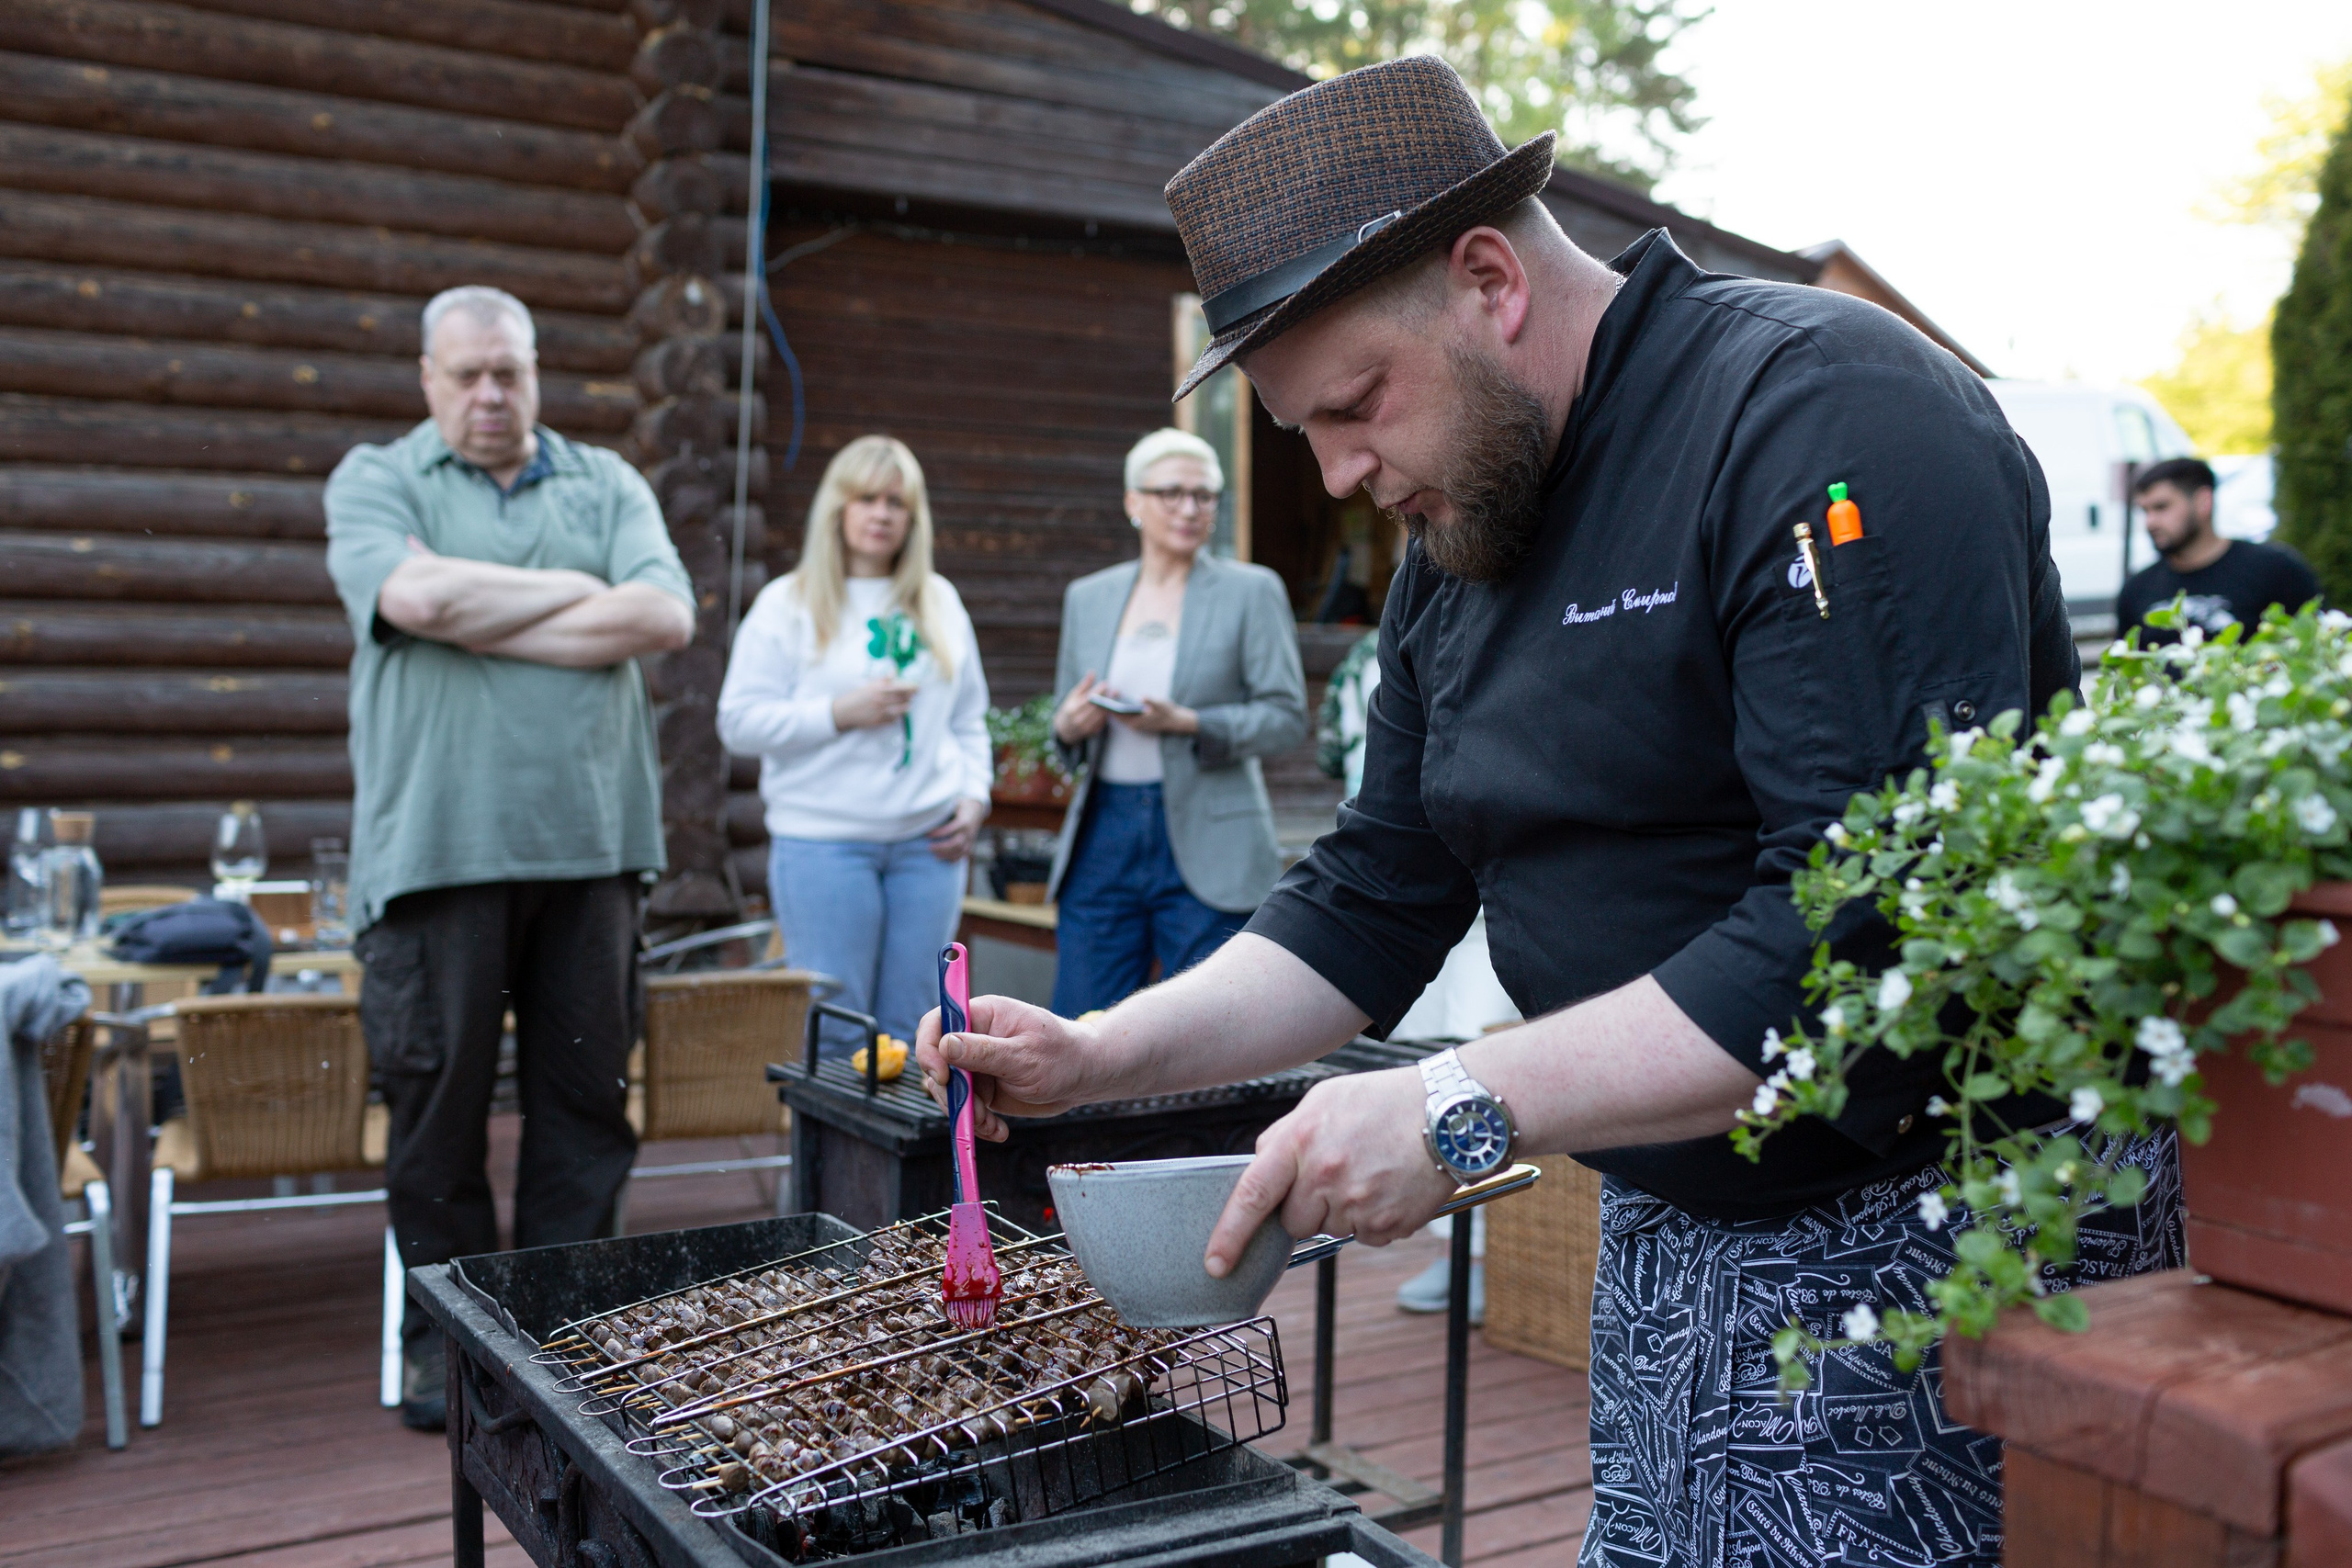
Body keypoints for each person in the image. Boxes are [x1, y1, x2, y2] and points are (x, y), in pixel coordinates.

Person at [917, 60, 2182, 1566]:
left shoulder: (1822, 414)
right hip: (1667, 1228)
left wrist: (1458, 1105)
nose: (1338, 474)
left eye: (1355, 405)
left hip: (1934, 1232)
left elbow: (1863, 935)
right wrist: (1103, 1056)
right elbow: (1377, 890)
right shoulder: (1465, 536)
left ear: (1490, 279)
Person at [324, 285, 695, 1432]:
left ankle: (564, 1332)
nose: (491, 394)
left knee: (585, 1108)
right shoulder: (377, 480)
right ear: (429, 380)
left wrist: (480, 612)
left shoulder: (608, 482)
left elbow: (664, 617)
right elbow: (411, 591)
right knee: (436, 1118)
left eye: (510, 371)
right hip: (435, 856)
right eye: (467, 374)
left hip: (593, 852)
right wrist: (582, 597)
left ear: (536, 371)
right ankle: (446, 1347)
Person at [718, 436, 991, 1055]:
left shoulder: (940, 601)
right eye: (865, 498)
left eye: (897, 501)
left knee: (920, 1027)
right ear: (836, 508)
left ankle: (911, 1158)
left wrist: (975, 798)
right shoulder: (786, 603)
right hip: (824, 846)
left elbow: (970, 720)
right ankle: (834, 1159)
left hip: (930, 847)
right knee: (839, 1033)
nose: (881, 513)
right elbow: (738, 722)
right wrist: (839, 713)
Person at [1045, 428, 1306, 1017]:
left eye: (1204, 495)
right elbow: (1066, 722)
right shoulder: (1088, 597)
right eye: (1171, 493)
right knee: (1081, 1021)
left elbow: (1286, 718)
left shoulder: (1251, 591)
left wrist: (1189, 722)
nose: (1190, 508)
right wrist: (1070, 725)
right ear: (1133, 502)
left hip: (1210, 834)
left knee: (1209, 1029)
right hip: (1103, 833)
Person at [2116, 456, 2321, 643]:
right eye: (2145, 510)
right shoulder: (2137, 589)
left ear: (2203, 502)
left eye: (2161, 507)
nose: (2150, 522)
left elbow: (2314, 648)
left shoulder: (2275, 570)